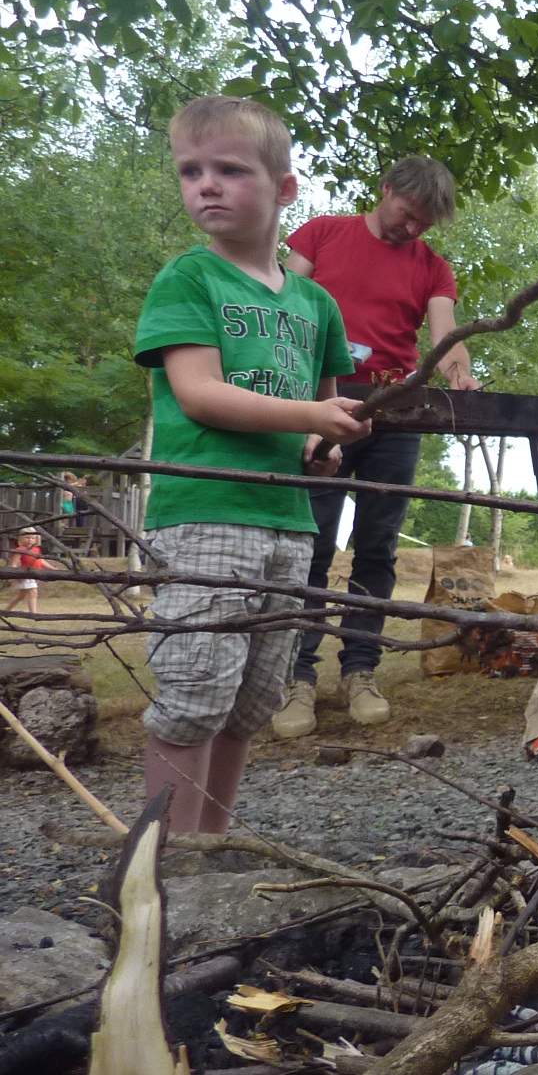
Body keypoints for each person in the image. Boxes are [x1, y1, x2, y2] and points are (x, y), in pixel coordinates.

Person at [134, 95, 369, 833]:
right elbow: (200, 394)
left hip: (287, 522)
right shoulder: (189, 279)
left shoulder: (315, 304)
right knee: (194, 693)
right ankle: (162, 865)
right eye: (190, 171)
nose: (206, 184)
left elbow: (321, 413)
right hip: (206, 512)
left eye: (231, 170)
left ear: (284, 188)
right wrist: (312, 418)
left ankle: (212, 848)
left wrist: (325, 446)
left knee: (250, 702)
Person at [275, 155, 481, 738]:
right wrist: (296, 399)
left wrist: (461, 375)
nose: (412, 229)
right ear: (385, 190)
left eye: (424, 224)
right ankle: (296, 677)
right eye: (407, 214)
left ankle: (360, 670)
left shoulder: (433, 268)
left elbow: (446, 336)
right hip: (320, 403)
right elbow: (283, 307)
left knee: (377, 546)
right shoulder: (321, 234)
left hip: (396, 412)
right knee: (311, 542)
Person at [5, 532, 49, 613]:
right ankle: (34, 613)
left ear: (36, 540)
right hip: (25, 574)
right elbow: (14, 563)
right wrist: (12, 576)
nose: (30, 540)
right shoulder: (20, 550)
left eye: (32, 538)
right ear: (22, 538)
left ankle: (6, 611)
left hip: (34, 574)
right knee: (33, 592)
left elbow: (41, 561)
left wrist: (52, 568)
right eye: (27, 538)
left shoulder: (37, 549)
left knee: (21, 596)